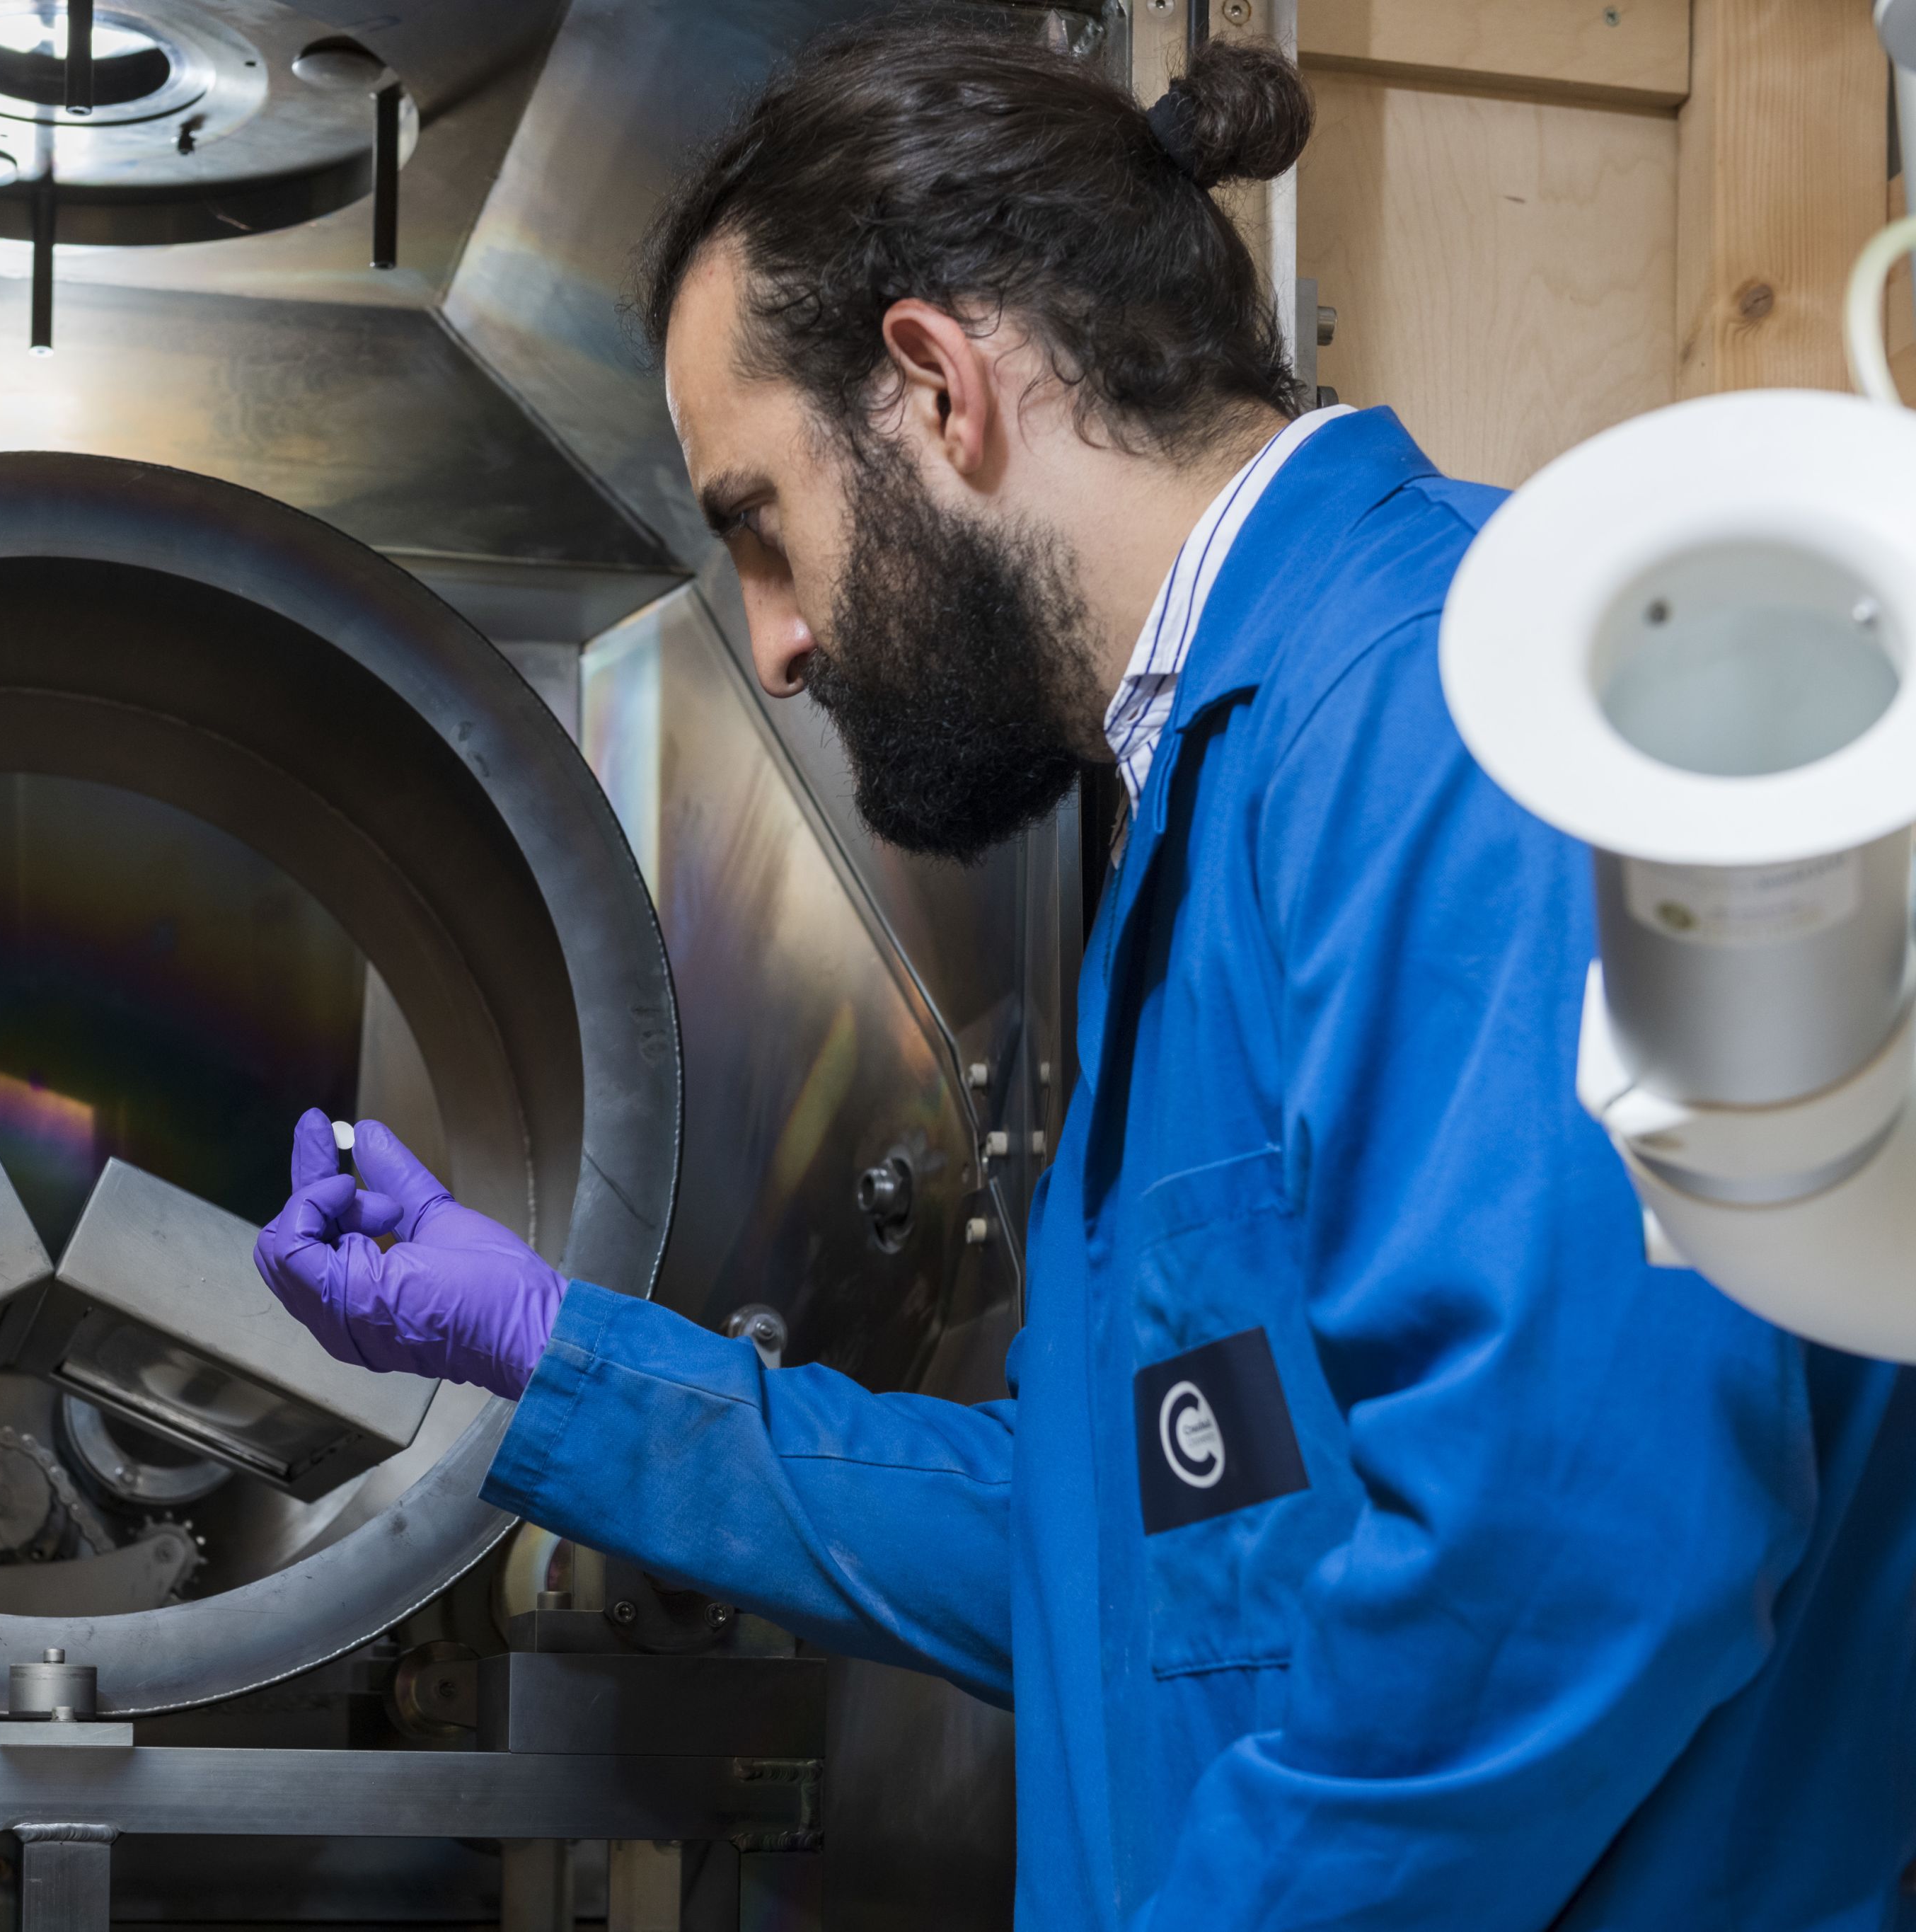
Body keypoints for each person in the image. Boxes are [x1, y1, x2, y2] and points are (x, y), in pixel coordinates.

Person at [253, 23, 1916, 1929]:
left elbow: (1569, 1552)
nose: (777, 645)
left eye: (760, 530)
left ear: (936, 389)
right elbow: (1114, 1541)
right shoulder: (1231, 775)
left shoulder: (1459, 711)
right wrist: (558, 1353)